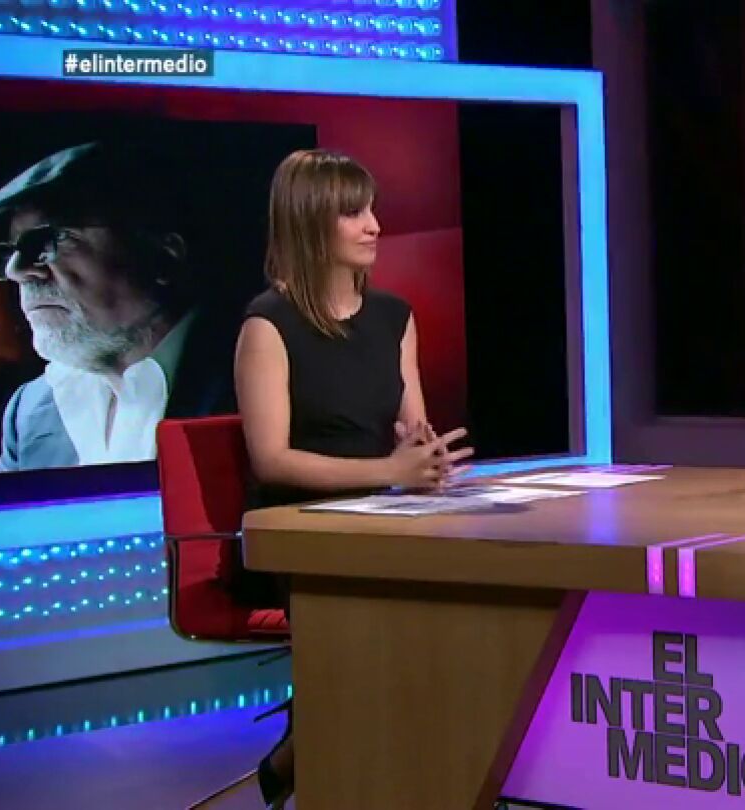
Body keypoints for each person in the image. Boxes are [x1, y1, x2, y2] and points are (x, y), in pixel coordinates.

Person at [233, 149, 472, 807]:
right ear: (311, 222)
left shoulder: (395, 318)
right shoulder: (268, 324)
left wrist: (426, 458)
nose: (374, 226)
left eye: (372, 210)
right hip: (298, 531)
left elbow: (412, 427)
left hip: (385, 518)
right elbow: (271, 459)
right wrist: (388, 470)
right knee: (379, 638)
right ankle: (302, 757)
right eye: (353, 213)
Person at [0, 141, 236, 471]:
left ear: (163, 256)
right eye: (8, 253)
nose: (16, 271)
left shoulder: (261, 380)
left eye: (48, 240)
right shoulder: (28, 412)